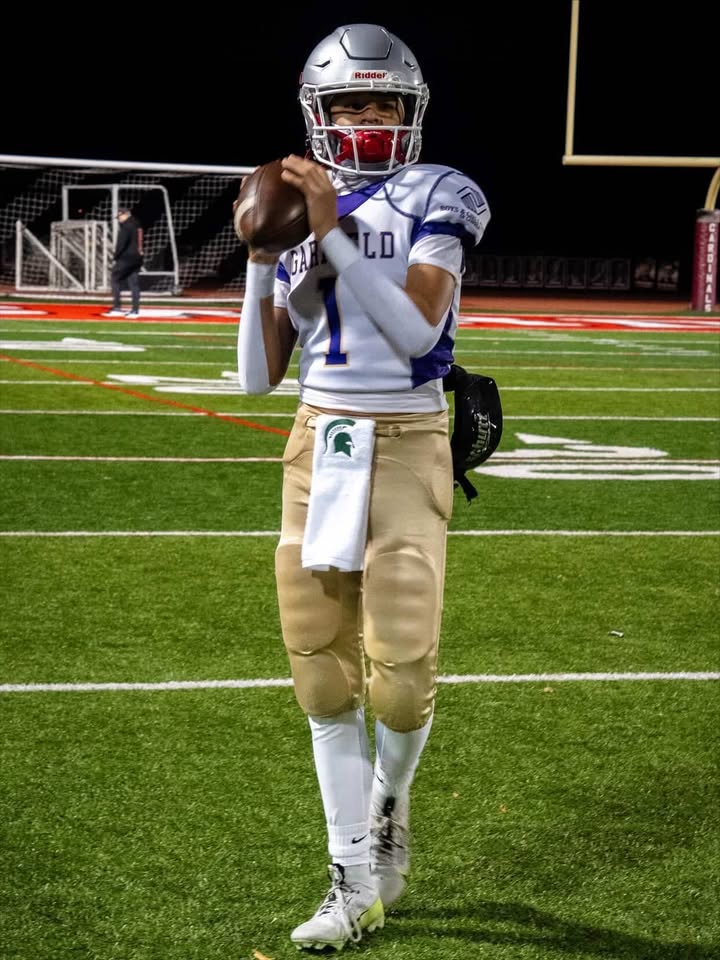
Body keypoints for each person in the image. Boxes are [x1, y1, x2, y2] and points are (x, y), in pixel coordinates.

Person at [235, 23, 490, 952]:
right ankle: (349, 879)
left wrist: (330, 233)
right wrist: (260, 259)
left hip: (408, 437)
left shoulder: (440, 191)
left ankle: (389, 809)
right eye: (351, 103)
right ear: (320, 113)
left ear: (411, 111)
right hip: (318, 439)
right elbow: (256, 379)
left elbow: (418, 332)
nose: (369, 117)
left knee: (401, 671)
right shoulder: (297, 201)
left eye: (384, 102)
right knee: (317, 662)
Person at [104, 207, 143, 317]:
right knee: (133, 283)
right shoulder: (137, 224)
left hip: (127, 258)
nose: (119, 219)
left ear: (125, 214)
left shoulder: (127, 226)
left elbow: (121, 244)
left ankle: (117, 307)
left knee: (115, 279)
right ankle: (135, 310)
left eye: (120, 216)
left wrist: (115, 258)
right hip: (138, 257)